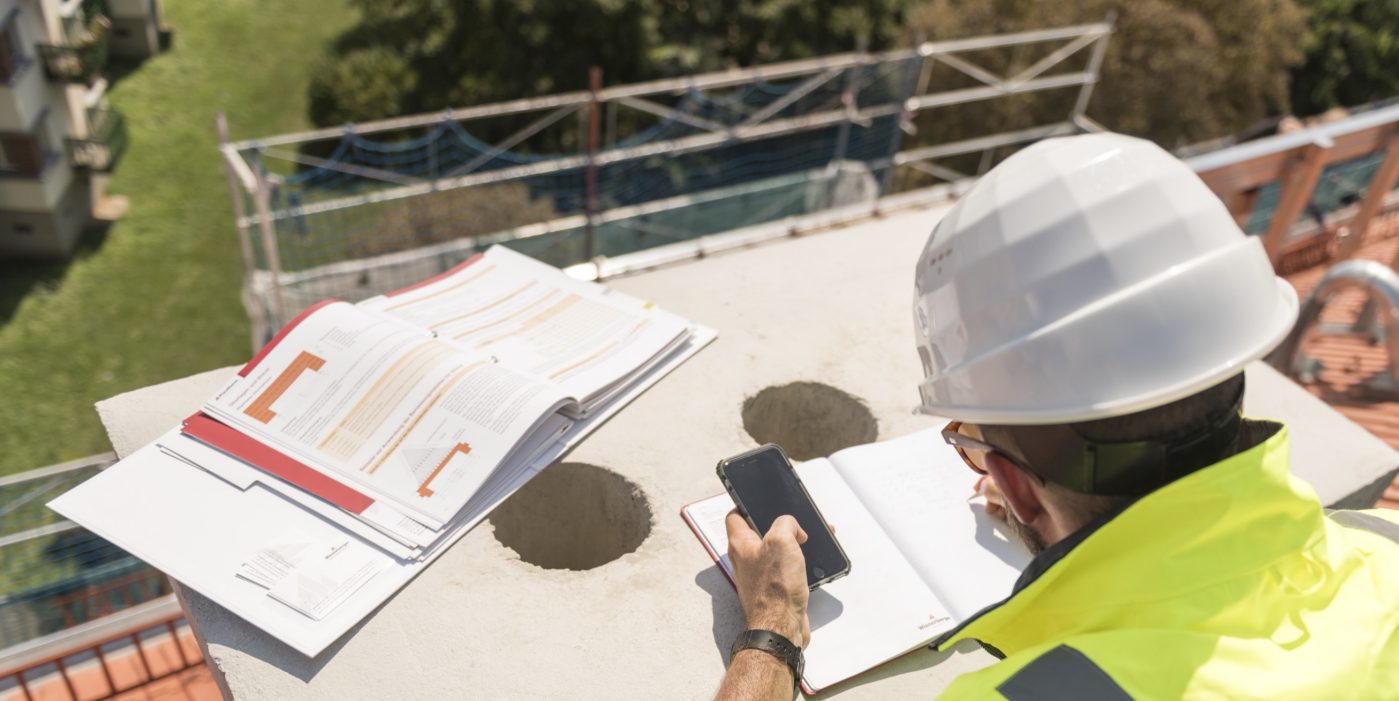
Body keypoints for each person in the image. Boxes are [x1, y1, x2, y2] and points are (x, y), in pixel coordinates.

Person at [714, 133, 1399, 700]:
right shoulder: (1383, 542)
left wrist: (772, 627)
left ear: (1012, 486)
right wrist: (1058, 514)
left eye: (971, 448)